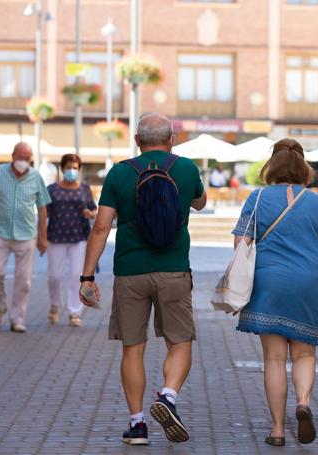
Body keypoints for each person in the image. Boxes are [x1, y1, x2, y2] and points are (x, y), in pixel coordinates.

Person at [79, 113, 207, 446]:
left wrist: (88, 275)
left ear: (137, 140)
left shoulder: (120, 173)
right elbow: (200, 202)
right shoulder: (187, 168)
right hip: (174, 270)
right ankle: (167, 396)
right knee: (180, 342)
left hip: (130, 273)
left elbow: (101, 227)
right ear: (172, 139)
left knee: (132, 348)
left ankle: (137, 425)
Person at [231, 138, 318, 447]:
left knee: (273, 359)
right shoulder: (317, 202)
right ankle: (304, 403)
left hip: (268, 284)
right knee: (304, 352)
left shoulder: (256, 199)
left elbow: (240, 243)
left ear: (272, 166)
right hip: (308, 284)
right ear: (303, 168)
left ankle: (278, 430)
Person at [0, 142, 50, 333]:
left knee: (23, 280)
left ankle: (17, 318)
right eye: (21, 157)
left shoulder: (36, 177)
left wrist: (43, 236)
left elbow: (42, 208)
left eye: (27, 158)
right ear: (12, 156)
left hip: (26, 235)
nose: (24, 161)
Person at [46, 153, 97, 327]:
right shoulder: (52, 189)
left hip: (79, 237)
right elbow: (44, 211)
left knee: (76, 275)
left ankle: (75, 312)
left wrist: (90, 214)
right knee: (54, 276)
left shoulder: (84, 189)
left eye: (75, 168)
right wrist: (39, 236)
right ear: (62, 168)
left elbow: (94, 209)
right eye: (68, 167)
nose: (71, 171)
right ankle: (55, 305)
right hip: (56, 236)